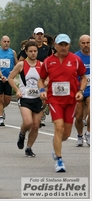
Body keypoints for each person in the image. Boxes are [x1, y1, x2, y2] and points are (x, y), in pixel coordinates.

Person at [38, 34, 87, 172]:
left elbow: (83, 78)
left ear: (69, 45)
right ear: (55, 45)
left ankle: (56, 143)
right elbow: (41, 79)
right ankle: (59, 160)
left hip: (71, 100)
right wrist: (42, 90)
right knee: (58, 127)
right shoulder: (48, 62)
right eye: (61, 44)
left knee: (65, 134)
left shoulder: (76, 60)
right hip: (54, 100)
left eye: (66, 44)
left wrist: (80, 91)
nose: (63, 47)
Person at [8, 41, 44, 157]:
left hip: (38, 98)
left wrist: (45, 89)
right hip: (25, 98)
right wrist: (17, 90)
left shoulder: (42, 65)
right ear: (26, 52)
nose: (33, 53)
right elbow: (10, 78)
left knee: (35, 125)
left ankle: (29, 148)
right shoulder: (21, 64)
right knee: (28, 122)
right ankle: (22, 134)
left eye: (35, 51)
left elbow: (47, 80)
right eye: (31, 51)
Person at [0, 35, 18, 126]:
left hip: (9, 79)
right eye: (5, 41)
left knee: (7, 99)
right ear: (1, 42)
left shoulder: (13, 52)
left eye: (8, 42)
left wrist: (14, 72)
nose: (6, 43)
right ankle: (0, 117)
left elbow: (16, 64)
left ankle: (1, 109)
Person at [74, 35, 90, 146]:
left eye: (88, 43)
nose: (86, 45)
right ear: (79, 44)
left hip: (90, 89)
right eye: (83, 43)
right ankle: (80, 135)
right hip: (78, 90)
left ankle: (88, 133)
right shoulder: (75, 57)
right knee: (79, 117)